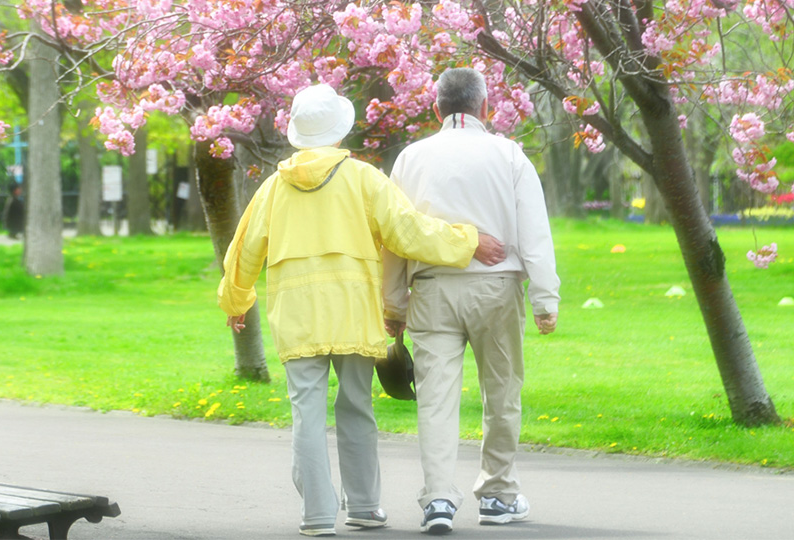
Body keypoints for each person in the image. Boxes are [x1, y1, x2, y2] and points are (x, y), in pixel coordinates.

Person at [217, 84, 506, 537]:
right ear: (338, 132)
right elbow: (409, 233)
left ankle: (316, 515)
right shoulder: (364, 178)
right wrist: (468, 240)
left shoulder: (273, 188)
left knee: (306, 414)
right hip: (353, 312)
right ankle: (365, 507)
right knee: (355, 407)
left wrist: (235, 300)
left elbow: (243, 249)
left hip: (297, 316)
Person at [380, 67, 560, 535]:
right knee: (501, 393)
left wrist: (393, 304)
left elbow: (395, 236)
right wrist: (544, 297)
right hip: (496, 287)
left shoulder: (411, 158)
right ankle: (498, 493)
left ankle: (438, 498)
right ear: (486, 108)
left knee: (435, 400)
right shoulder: (509, 154)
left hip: (432, 289)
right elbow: (535, 232)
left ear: (436, 108)